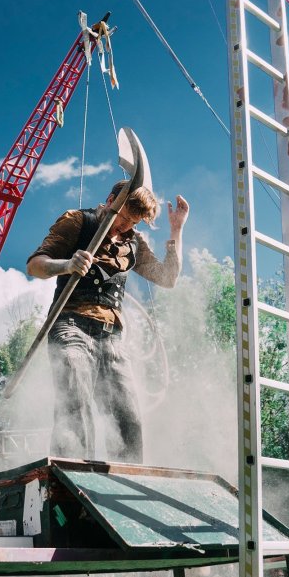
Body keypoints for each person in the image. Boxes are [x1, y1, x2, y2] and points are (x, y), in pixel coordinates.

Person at [27, 180, 189, 462]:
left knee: (128, 419)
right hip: (71, 325)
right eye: (122, 217)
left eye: (132, 222)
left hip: (111, 337)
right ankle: (70, 480)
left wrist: (177, 228)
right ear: (111, 199)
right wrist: (66, 264)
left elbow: (168, 278)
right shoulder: (78, 221)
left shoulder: (134, 243)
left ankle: (126, 487)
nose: (123, 226)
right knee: (75, 401)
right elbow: (35, 266)